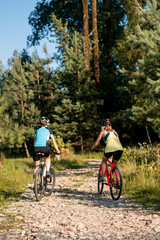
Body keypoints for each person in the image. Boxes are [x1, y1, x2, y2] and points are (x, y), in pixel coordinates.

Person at [90, 118, 123, 182]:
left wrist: (92, 149)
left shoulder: (103, 132)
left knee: (104, 160)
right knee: (115, 164)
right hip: (119, 148)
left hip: (110, 148)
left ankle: (102, 177)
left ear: (102, 126)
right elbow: (118, 141)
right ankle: (118, 180)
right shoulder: (114, 132)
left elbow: (96, 143)